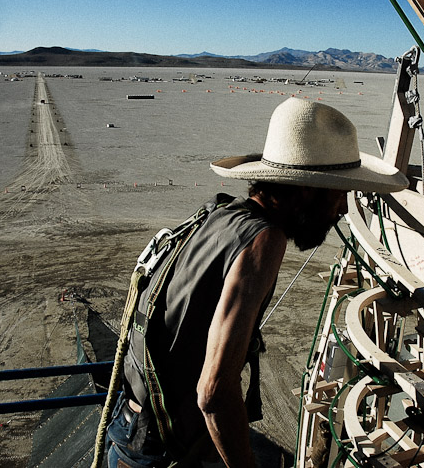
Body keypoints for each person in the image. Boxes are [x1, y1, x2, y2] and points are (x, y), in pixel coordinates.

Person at [105, 97, 408, 467]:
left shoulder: (219, 214)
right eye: (339, 192)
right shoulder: (264, 241)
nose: (343, 209)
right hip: (163, 445)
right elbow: (213, 393)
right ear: (307, 190)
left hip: (133, 426)